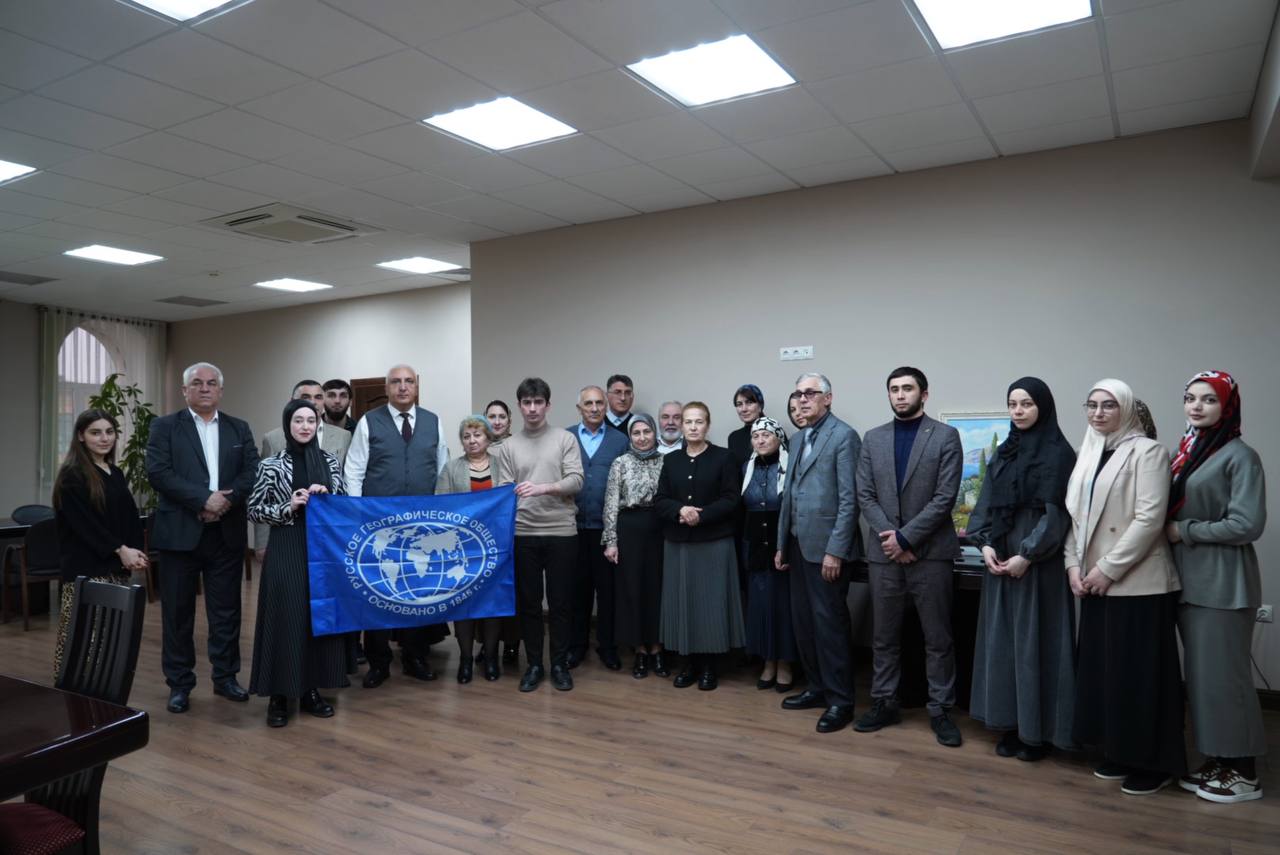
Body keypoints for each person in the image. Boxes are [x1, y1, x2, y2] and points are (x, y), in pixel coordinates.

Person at [1065, 378, 1185, 796]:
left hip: (1139, 583)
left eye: (1109, 405)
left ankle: (1155, 762)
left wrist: (1107, 569)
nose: (1098, 413)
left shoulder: (1148, 452)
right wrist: (1073, 566)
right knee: (1109, 675)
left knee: (1142, 676)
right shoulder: (1088, 454)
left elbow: (1150, 519)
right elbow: (1076, 519)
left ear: (1128, 409)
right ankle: (1119, 751)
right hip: (1094, 581)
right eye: (1092, 405)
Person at [1166, 370, 1266, 803]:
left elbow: (1247, 524)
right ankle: (1219, 760)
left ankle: (1244, 774)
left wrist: (1183, 530)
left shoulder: (1240, 456)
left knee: (1227, 681)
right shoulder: (1190, 451)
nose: (1197, 406)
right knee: (1204, 681)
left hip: (1223, 585)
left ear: (1227, 406)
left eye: (1209, 399)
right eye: (1191, 398)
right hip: (1192, 582)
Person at [967, 378, 1078, 761]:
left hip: (1037, 565)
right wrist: (984, 544)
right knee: (1005, 645)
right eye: (1012, 404)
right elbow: (984, 504)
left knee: (1037, 644)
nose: (1018, 411)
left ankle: (1039, 734)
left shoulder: (1059, 454)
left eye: (1026, 403)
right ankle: (1012, 724)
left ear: (1042, 407)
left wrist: (1027, 555)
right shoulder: (1005, 453)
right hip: (1001, 559)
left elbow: (1057, 515)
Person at [855, 366, 964, 746]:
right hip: (885, 555)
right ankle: (884, 702)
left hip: (930, 554)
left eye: (907, 388)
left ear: (924, 394)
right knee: (883, 637)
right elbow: (865, 495)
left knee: (938, 638)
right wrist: (893, 539)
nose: (900, 395)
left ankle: (941, 710)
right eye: (894, 389)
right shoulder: (873, 438)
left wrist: (906, 538)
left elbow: (945, 497)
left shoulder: (945, 436)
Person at [146, 362, 259, 714]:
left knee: (226, 613)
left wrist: (223, 502)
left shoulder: (239, 428)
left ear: (220, 390)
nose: (205, 388)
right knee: (177, 614)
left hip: (225, 534)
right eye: (197, 383)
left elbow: (251, 472)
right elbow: (158, 472)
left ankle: (225, 678)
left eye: (211, 383)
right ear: (185, 391)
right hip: (180, 534)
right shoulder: (164, 427)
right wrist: (203, 499)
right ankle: (180, 684)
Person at [344, 363, 449, 689]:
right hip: (380, 526)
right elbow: (354, 471)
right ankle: (378, 662)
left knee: (418, 590)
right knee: (378, 592)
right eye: (395, 382)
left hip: (421, 526)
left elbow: (442, 469)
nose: (403, 387)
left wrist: (440, 516)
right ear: (386, 388)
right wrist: (358, 516)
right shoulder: (368, 421)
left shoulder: (433, 421)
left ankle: (415, 656)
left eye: (408, 382)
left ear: (416, 387)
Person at [247, 400, 351, 727]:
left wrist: (327, 496)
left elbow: (345, 504)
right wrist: (288, 506)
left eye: (310, 420)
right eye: (298, 421)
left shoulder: (330, 462)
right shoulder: (271, 465)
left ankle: (310, 690)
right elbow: (253, 510)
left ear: (317, 425)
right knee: (285, 616)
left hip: (322, 549)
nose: (305, 426)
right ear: (287, 425)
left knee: (315, 618)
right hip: (286, 545)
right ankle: (279, 696)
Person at [776, 374, 861, 733]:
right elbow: (790, 496)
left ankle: (841, 701)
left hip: (828, 551)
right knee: (805, 624)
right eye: (799, 393)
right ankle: (817, 688)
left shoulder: (844, 436)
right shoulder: (798, 438)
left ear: (828, 398)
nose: (803, 399)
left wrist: (835, 551)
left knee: (829, 626)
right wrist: (782, 544)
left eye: (811, 393)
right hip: (798, 546)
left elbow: (850, 501)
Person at [494, 377, 585, 692]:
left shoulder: (565, 439)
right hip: (523, 532)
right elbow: (505, 489)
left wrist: (544, 487)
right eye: (527, 403)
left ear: (548, 405)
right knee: (529, 604)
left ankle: (559, 664)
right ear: (519, 406)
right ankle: (534, 664)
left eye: (538, 402)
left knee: (560, 603)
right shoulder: (508, 446)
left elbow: (576, 480)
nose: (532, 408)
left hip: (561, 531)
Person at [654, 402, 744, 690]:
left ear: (708, 425)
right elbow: (661, 499)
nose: (693, 427)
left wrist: (700, 515)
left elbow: (732, 499)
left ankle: (709, 667)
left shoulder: (724, 457)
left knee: (710, 606)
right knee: (684, 604)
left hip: (714, 542)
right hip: (679, 542)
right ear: (681, 426)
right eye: (688, 422)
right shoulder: (671, 460)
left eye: (699, 421)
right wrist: (680, 510)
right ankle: (688, 664)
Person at [51, 409, 148, 678]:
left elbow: (128, 517)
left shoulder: (115, 472)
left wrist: (135, 550)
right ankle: (72, 692)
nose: (104, 438)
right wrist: (121, 549)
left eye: (109, 432)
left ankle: (102, 693)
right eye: (96, 432)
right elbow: (85, 526)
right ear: (81, 436)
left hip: (115, 568)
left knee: (110, 638)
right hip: (85, 570)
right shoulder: (72, 476)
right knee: (82, 639)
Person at [436, 415, 504, 683]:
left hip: (496, 546)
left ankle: (491, 657)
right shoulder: (451, 468)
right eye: (466, 436)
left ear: (488, 438)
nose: (472, 440)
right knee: (463, 603)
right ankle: (465, 659)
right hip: (461, 548)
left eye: (477, 435)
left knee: (492, 603)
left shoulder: (501, 465)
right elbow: (440, 507)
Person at [254, 379, 351, 563]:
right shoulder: (272, 443)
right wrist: (262, 542)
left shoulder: (339, 444)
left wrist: (327, 496)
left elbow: (344, 498)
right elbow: (256, 507)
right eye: (306, 397)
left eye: (318, 397)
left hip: (325, 539)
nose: (313, 402)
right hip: (286, 542)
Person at [602, 414, 669, 678]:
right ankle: (640, 650)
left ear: (654, 433)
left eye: (646, 432)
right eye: (636, 433)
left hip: (659, 529)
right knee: (632, 589)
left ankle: (658, 648)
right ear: (630, 437)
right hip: (629, 529)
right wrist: (611, 541)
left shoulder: (666, 461)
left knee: (658, 589)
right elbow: (610, 503)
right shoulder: (620, 463)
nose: (642, 438)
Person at [568, 386, 629, 670]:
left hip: (607, 531)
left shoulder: (620, 440)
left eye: (599, 403)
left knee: (608, 592)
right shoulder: (566, 437)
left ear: (606, 406)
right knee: (577, 591)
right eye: (588, 403)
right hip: (572, 528)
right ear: (579, 408)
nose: (594, 408)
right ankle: (576, 646)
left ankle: (608, 646)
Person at [741, 417, 797, 693]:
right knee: (760, 605)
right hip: (755, 546)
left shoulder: (790, 466)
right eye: (756, 436)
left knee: (782, 606)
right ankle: (767, 661)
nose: (761, 440)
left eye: (766, 435)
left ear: (779, 438)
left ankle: (785, 663)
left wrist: (785, 547)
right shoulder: (746, 468)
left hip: (781, 544)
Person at [484, 398, 520, 663]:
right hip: (485, 529)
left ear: (510, 420)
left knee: (510, 587)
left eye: (502, 417)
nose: (497, 422)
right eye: (492, 417)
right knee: (486, 590)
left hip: (511, 527)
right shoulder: (477, 446)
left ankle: (511, 644)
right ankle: (487, 646)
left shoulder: (517, 445)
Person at [726, 384, 765, 470]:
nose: (744, 409)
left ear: (760, 406)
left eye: (749, 403)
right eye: (739, 404)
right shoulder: (734, 437)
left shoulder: (774, 431)